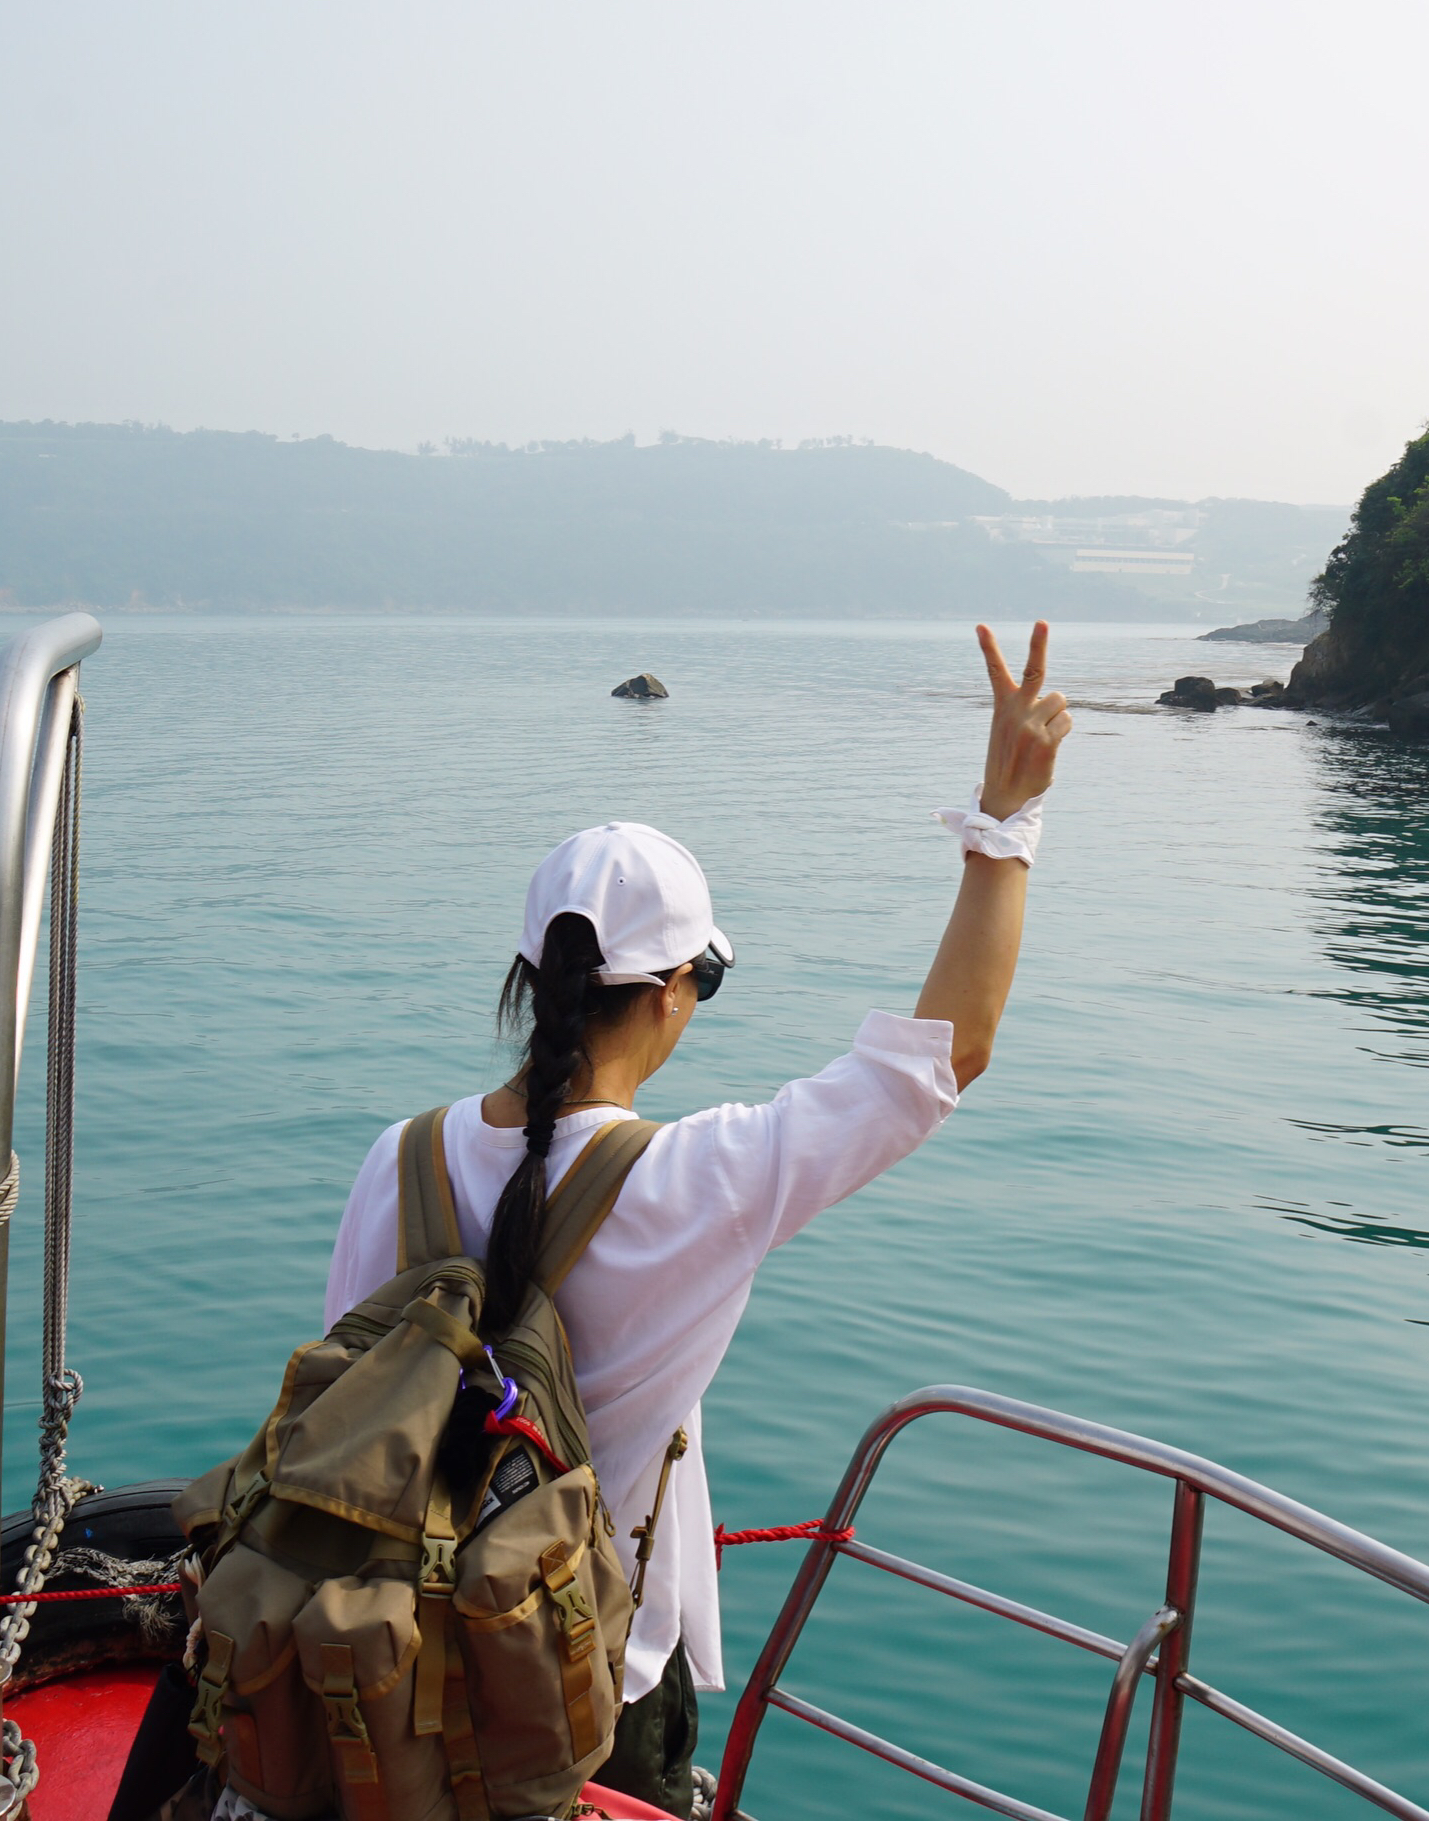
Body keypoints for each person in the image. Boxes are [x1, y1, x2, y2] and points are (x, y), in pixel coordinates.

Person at [313, 621, 1069, 1815]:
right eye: (702, 984)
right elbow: (944, 1057)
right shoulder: (701, 1178)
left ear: (528, 978)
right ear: (673, 994)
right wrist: (1005, 823)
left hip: (391, 1647)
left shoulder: (394, 1159)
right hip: (581, 1669)